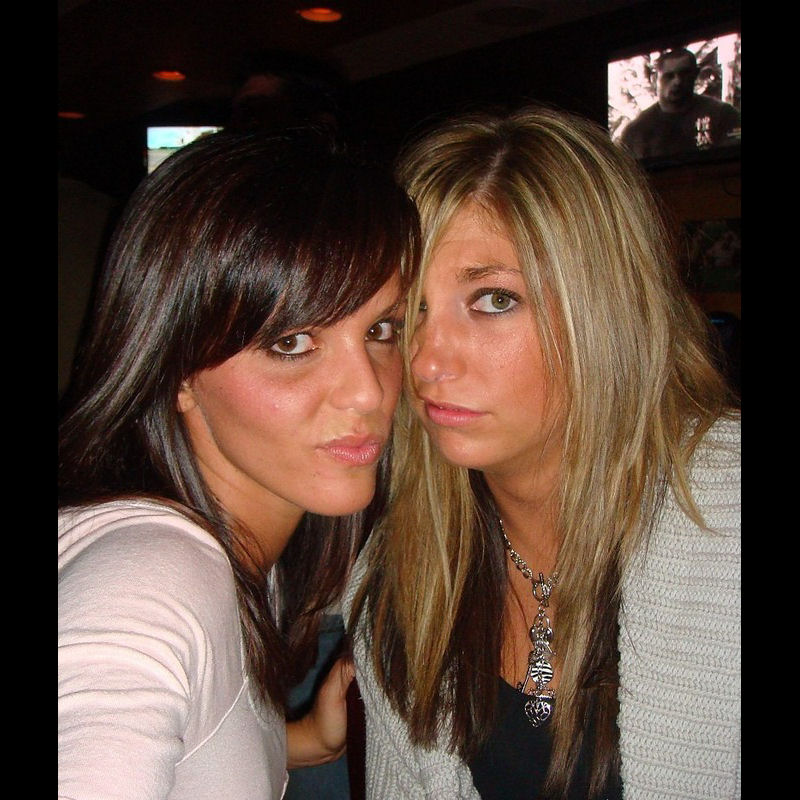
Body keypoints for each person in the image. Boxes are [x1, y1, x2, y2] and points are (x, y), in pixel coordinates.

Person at [345, 106, 740, 799]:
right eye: (408, 313)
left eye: (494, 300)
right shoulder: (396, 576)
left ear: (604, 306)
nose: (427, 361)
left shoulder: (727, 519)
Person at [58, 128, 420, 799]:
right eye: (293, 342)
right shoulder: (149, 581)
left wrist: (300, 740)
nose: (369, 392)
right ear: (176, 368)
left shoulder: (242, 555)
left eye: (380, 330)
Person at [619, 47, 741, 160]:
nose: (677, 81)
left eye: (684, 74)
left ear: (695, 75)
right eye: (669, 76)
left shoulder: (723, 115)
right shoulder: (635, 131)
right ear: (655, 79)